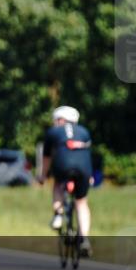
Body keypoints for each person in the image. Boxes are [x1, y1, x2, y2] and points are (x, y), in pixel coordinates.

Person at [41, 105, 93, 257]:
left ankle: (58, 214)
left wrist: (43, 176)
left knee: (57, 185)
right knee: (82, 202)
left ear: (60, 119)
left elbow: (47, 158)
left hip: (62, 166)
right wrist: (89, 175)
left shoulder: (53, 132)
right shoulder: (84, 131)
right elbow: (87, 153)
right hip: (84, 167)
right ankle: (84, 238)